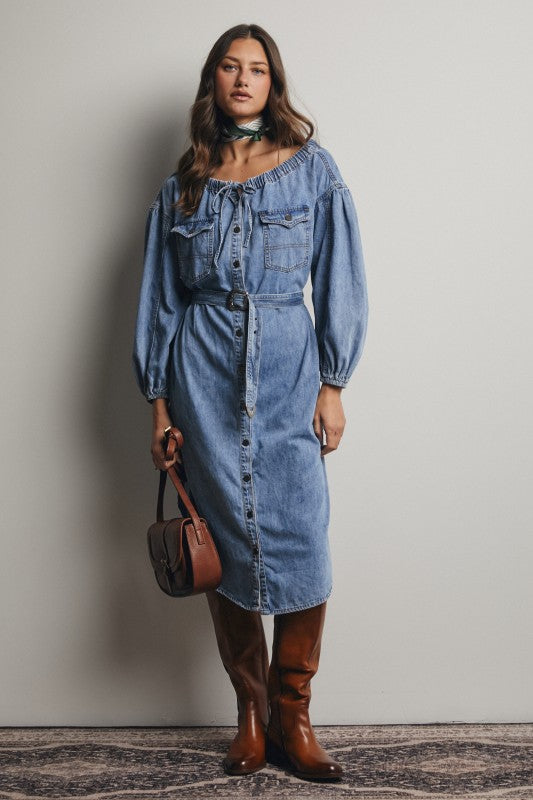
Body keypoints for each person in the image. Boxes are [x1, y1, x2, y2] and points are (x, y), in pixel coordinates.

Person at [132, 23, 368, 783]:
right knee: (223, 545)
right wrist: (159, 405)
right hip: (198, 381)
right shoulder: (184, 186)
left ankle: (295, 716)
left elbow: (338, 276)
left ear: (274, 83)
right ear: (214, 82)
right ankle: (252, 717)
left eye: (257, 68)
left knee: (301, 538)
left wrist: (333, 382)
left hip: (288, 377)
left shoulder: (311, 172)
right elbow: (159, 302)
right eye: (230, 67)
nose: (243, 79)